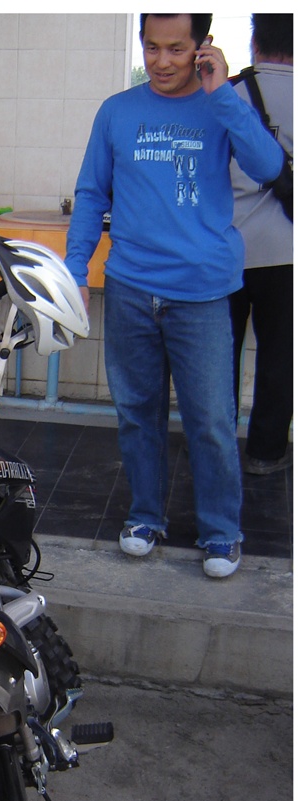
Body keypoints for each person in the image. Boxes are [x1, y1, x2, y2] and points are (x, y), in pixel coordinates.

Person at [65, 13, 285, 578]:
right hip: (130, 287)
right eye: (152, 47)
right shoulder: (117, 111)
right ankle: (146, 516)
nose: (161, 62)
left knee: (211, 419)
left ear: (201, 47)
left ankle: (222, 531)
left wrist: (224, 94)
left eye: (176, 48)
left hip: (203, 293)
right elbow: (90, 194)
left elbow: (268, 166)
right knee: (137, 414)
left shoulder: (222, 104)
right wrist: (74, 272)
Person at [229, 14, 293, 475]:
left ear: (255, 41)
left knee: (217, 354)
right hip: (289, 254)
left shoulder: (228, 95)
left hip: (226, 250)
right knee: (280, 356)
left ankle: (212, 441)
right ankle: (265, 454)